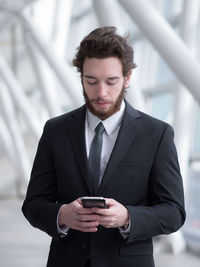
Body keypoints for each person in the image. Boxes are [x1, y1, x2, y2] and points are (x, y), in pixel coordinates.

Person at [22, 26, 186, 267]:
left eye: (111, 82)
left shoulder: (157, 134)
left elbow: (174, 212)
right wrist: (63, 216)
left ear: (127, 77)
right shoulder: (55, 131)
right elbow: (33, 204)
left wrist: (128, 217)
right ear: (81, 77)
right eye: (91, 81)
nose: (101, 93)